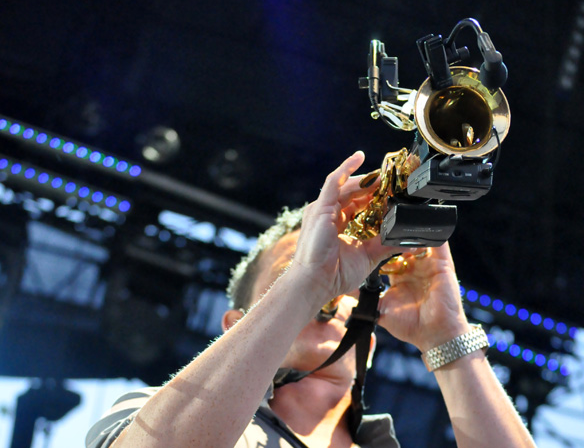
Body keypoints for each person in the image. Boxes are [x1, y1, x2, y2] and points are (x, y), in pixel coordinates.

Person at [86, 151, 537, 448]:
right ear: (235, 325)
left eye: (345, 287)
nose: (331, 292)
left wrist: (448, 336)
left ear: (370, 343)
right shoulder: (159, 412)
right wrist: (306, 280)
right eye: (285, 275)